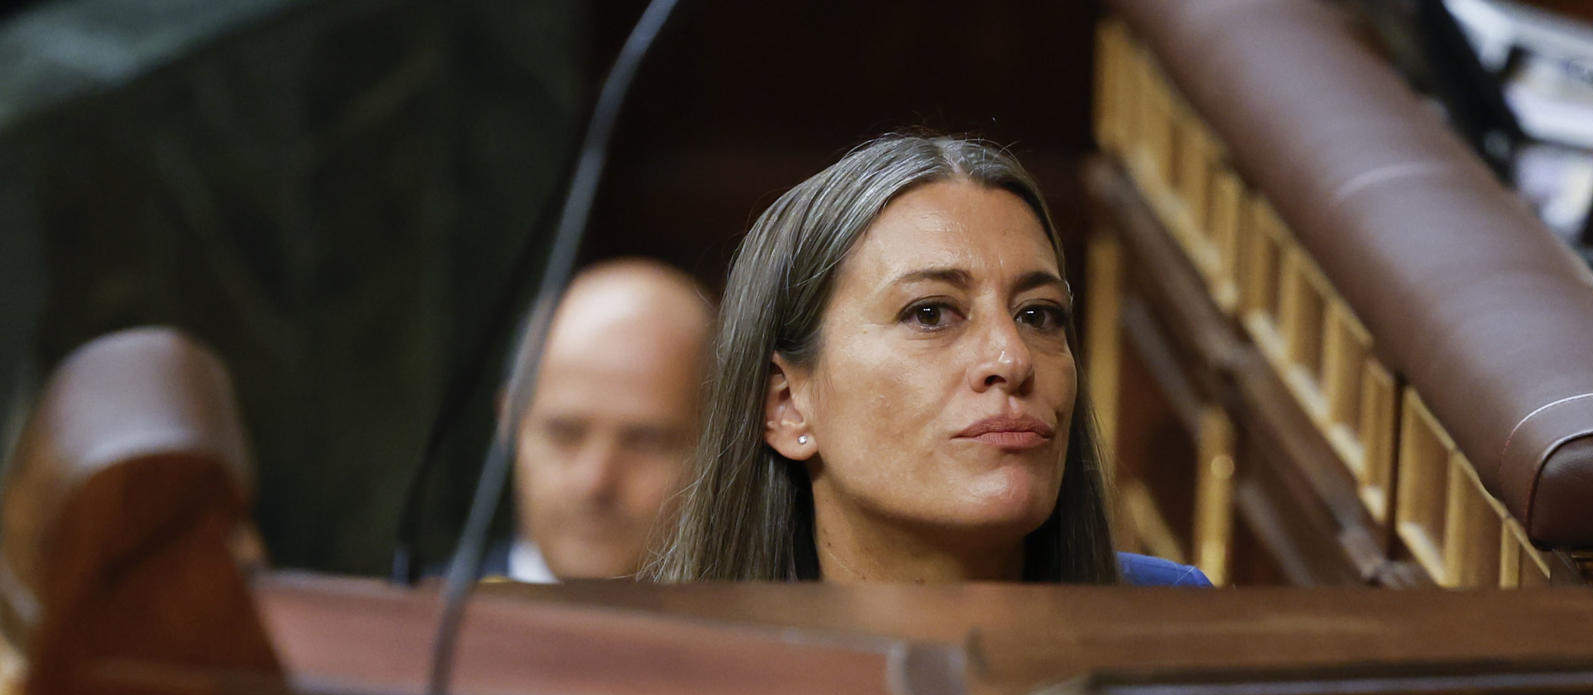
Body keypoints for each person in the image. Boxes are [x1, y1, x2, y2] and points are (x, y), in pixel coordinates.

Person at [649, 134, 1208, 586]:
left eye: (1039, 315)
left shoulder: (1171, 623)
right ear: (787, 405)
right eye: (931, 313)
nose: (1012, 359)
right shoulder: (674, 678)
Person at [502, 259, 713, 582]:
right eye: (564, 434)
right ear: (510, 424)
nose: (594, 482)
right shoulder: (415, 625)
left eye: (645, 442)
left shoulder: (765, 628)